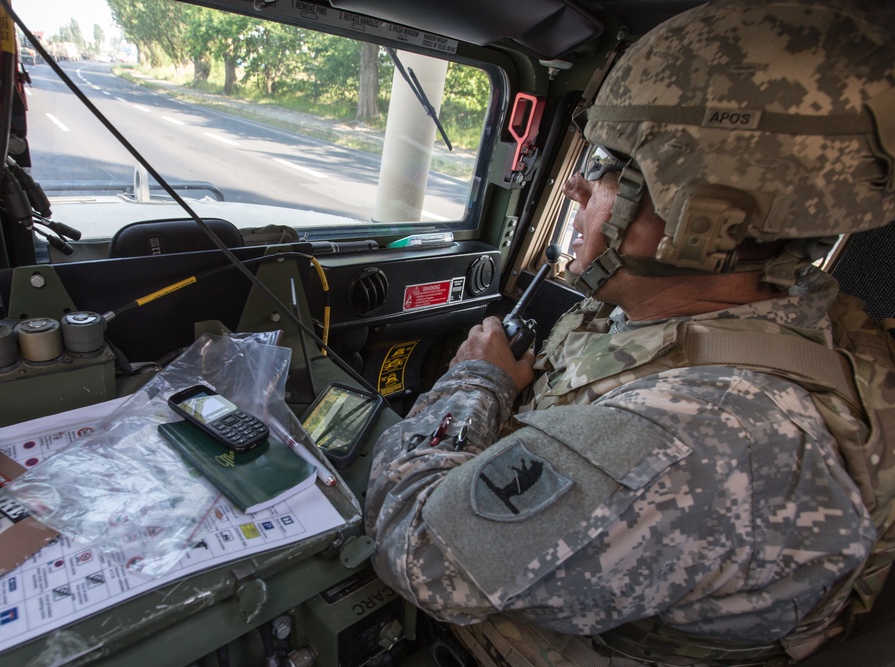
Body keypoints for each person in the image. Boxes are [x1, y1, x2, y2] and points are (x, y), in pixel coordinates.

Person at [364, 0, 895, 664]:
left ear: (701, 214)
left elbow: (413, 549)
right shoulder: (761, 316)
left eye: (606, 165)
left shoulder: (691, 441)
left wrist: (476, 381)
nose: (579, 189)